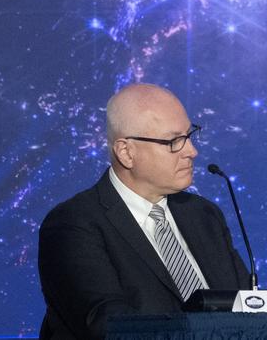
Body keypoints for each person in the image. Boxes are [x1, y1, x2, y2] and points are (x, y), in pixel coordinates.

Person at [38, 84, 251, 339]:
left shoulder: (204, 214)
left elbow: (248, 305)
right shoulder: (73, 225)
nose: (192, 152)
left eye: (190, 135)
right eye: (174, 141)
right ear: (126, 153)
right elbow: (109, 325)